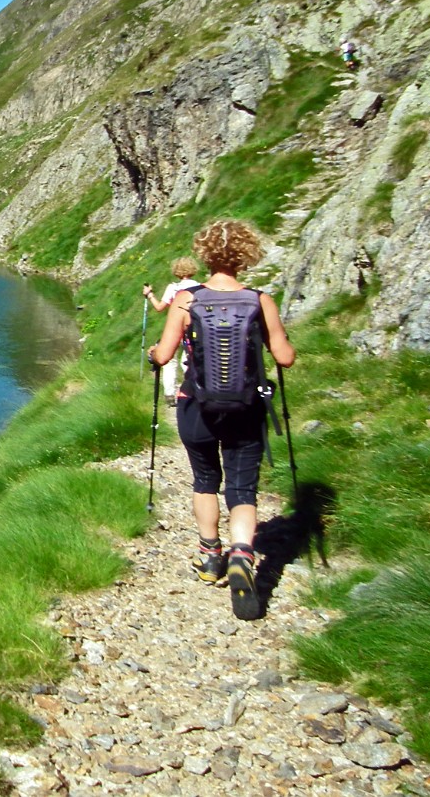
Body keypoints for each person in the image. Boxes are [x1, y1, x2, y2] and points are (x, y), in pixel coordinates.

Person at [149, 220, 295, 620]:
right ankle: (243, 555)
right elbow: (284, 357)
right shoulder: (260, 300)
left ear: (204, 254)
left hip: (196, 404)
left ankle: (211, 556)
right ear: (246, 256)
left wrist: (151, 354)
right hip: (245, 406)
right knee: (243, 487)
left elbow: (163, 356)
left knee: (205, 479)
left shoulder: (186, 299)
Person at [143, 257, 200, 404]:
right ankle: (192, 389)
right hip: (193, 328)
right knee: (189, 359)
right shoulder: (200, 287)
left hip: (175, 327)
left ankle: (170, 395)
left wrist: (149, 295)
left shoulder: (173, 288)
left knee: (169, 360)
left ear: (176, 271)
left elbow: (160, 307)